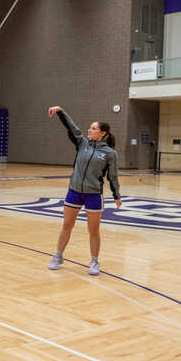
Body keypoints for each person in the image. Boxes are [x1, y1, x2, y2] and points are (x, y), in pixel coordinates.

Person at [45, 106, 122, 275]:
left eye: (94, 128)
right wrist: (60, 111)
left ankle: (94, 262)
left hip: (93, 194)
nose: (89, 130)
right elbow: (72, 127)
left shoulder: (110, 153)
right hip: (74, 191)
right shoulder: (82, 143)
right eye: (90, 127)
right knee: (67, 225)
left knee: (93, 230)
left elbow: (113, 176)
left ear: (103, 133)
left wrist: (117, 195)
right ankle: (58, 256)